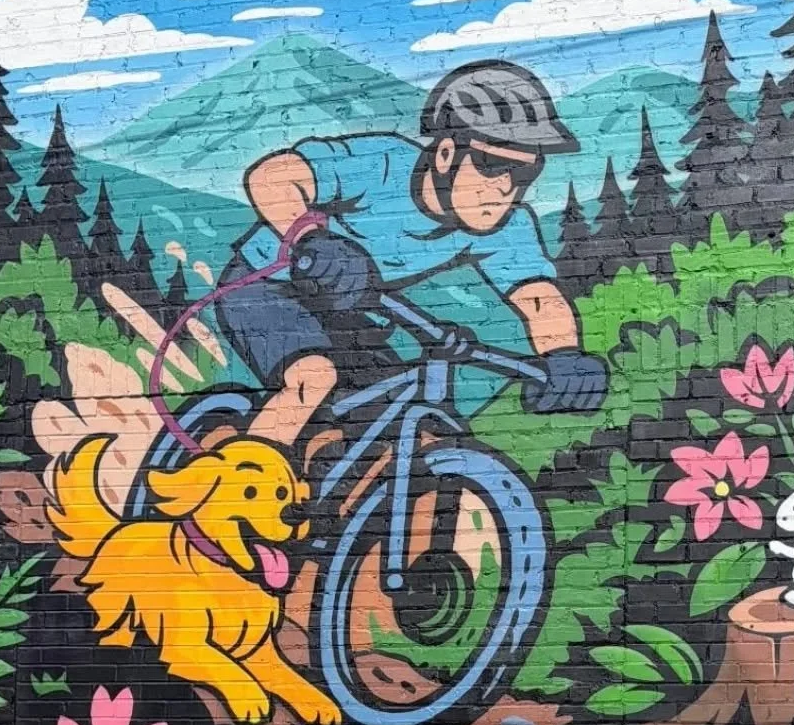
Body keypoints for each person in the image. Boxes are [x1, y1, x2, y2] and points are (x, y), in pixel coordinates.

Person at [221, 60, 608, 450]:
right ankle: (244, 479)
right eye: (493, 165)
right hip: (266, 286)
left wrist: (564, 356)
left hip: (351, 307)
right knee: (315, 376)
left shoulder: (506, 223)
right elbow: (273, 176)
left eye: (524, 172)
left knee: (396, 409)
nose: (506, 187)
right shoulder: (382, 163)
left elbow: (537, 296)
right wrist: (312, 239)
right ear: (445, 154)